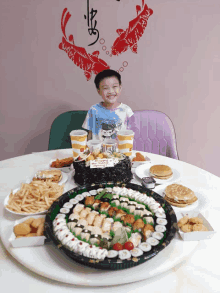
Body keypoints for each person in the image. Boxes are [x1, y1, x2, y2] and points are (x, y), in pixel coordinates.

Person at [82, 69, 134, 141]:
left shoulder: (127, 110)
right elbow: (90, 135)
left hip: (119, 151)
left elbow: (131, 135)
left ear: (120, 88)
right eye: (105, 88)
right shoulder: (94, 110)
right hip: (98, 151)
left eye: (115, 87)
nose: (111, 91)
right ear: (99, 91)